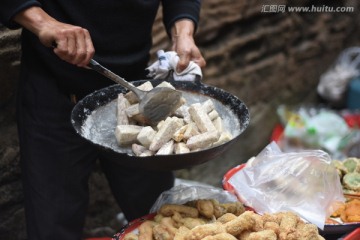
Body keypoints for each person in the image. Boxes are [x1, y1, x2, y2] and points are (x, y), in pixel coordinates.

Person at [0, 1, 206, 239]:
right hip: (55, 91)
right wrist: (43, 22)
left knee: (160, 215)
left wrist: (184, 33)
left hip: (134, 93)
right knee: (53, 225)